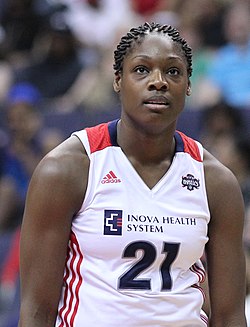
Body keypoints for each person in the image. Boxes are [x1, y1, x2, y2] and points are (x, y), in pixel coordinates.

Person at [18, 22, 247, 326]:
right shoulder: (67, 169)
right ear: (117, 80)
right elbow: (36, 310)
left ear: (189, 85)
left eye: (173, 72)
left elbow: (230, 316)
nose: (158, 82)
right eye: (141, 70)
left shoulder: (215, 181)